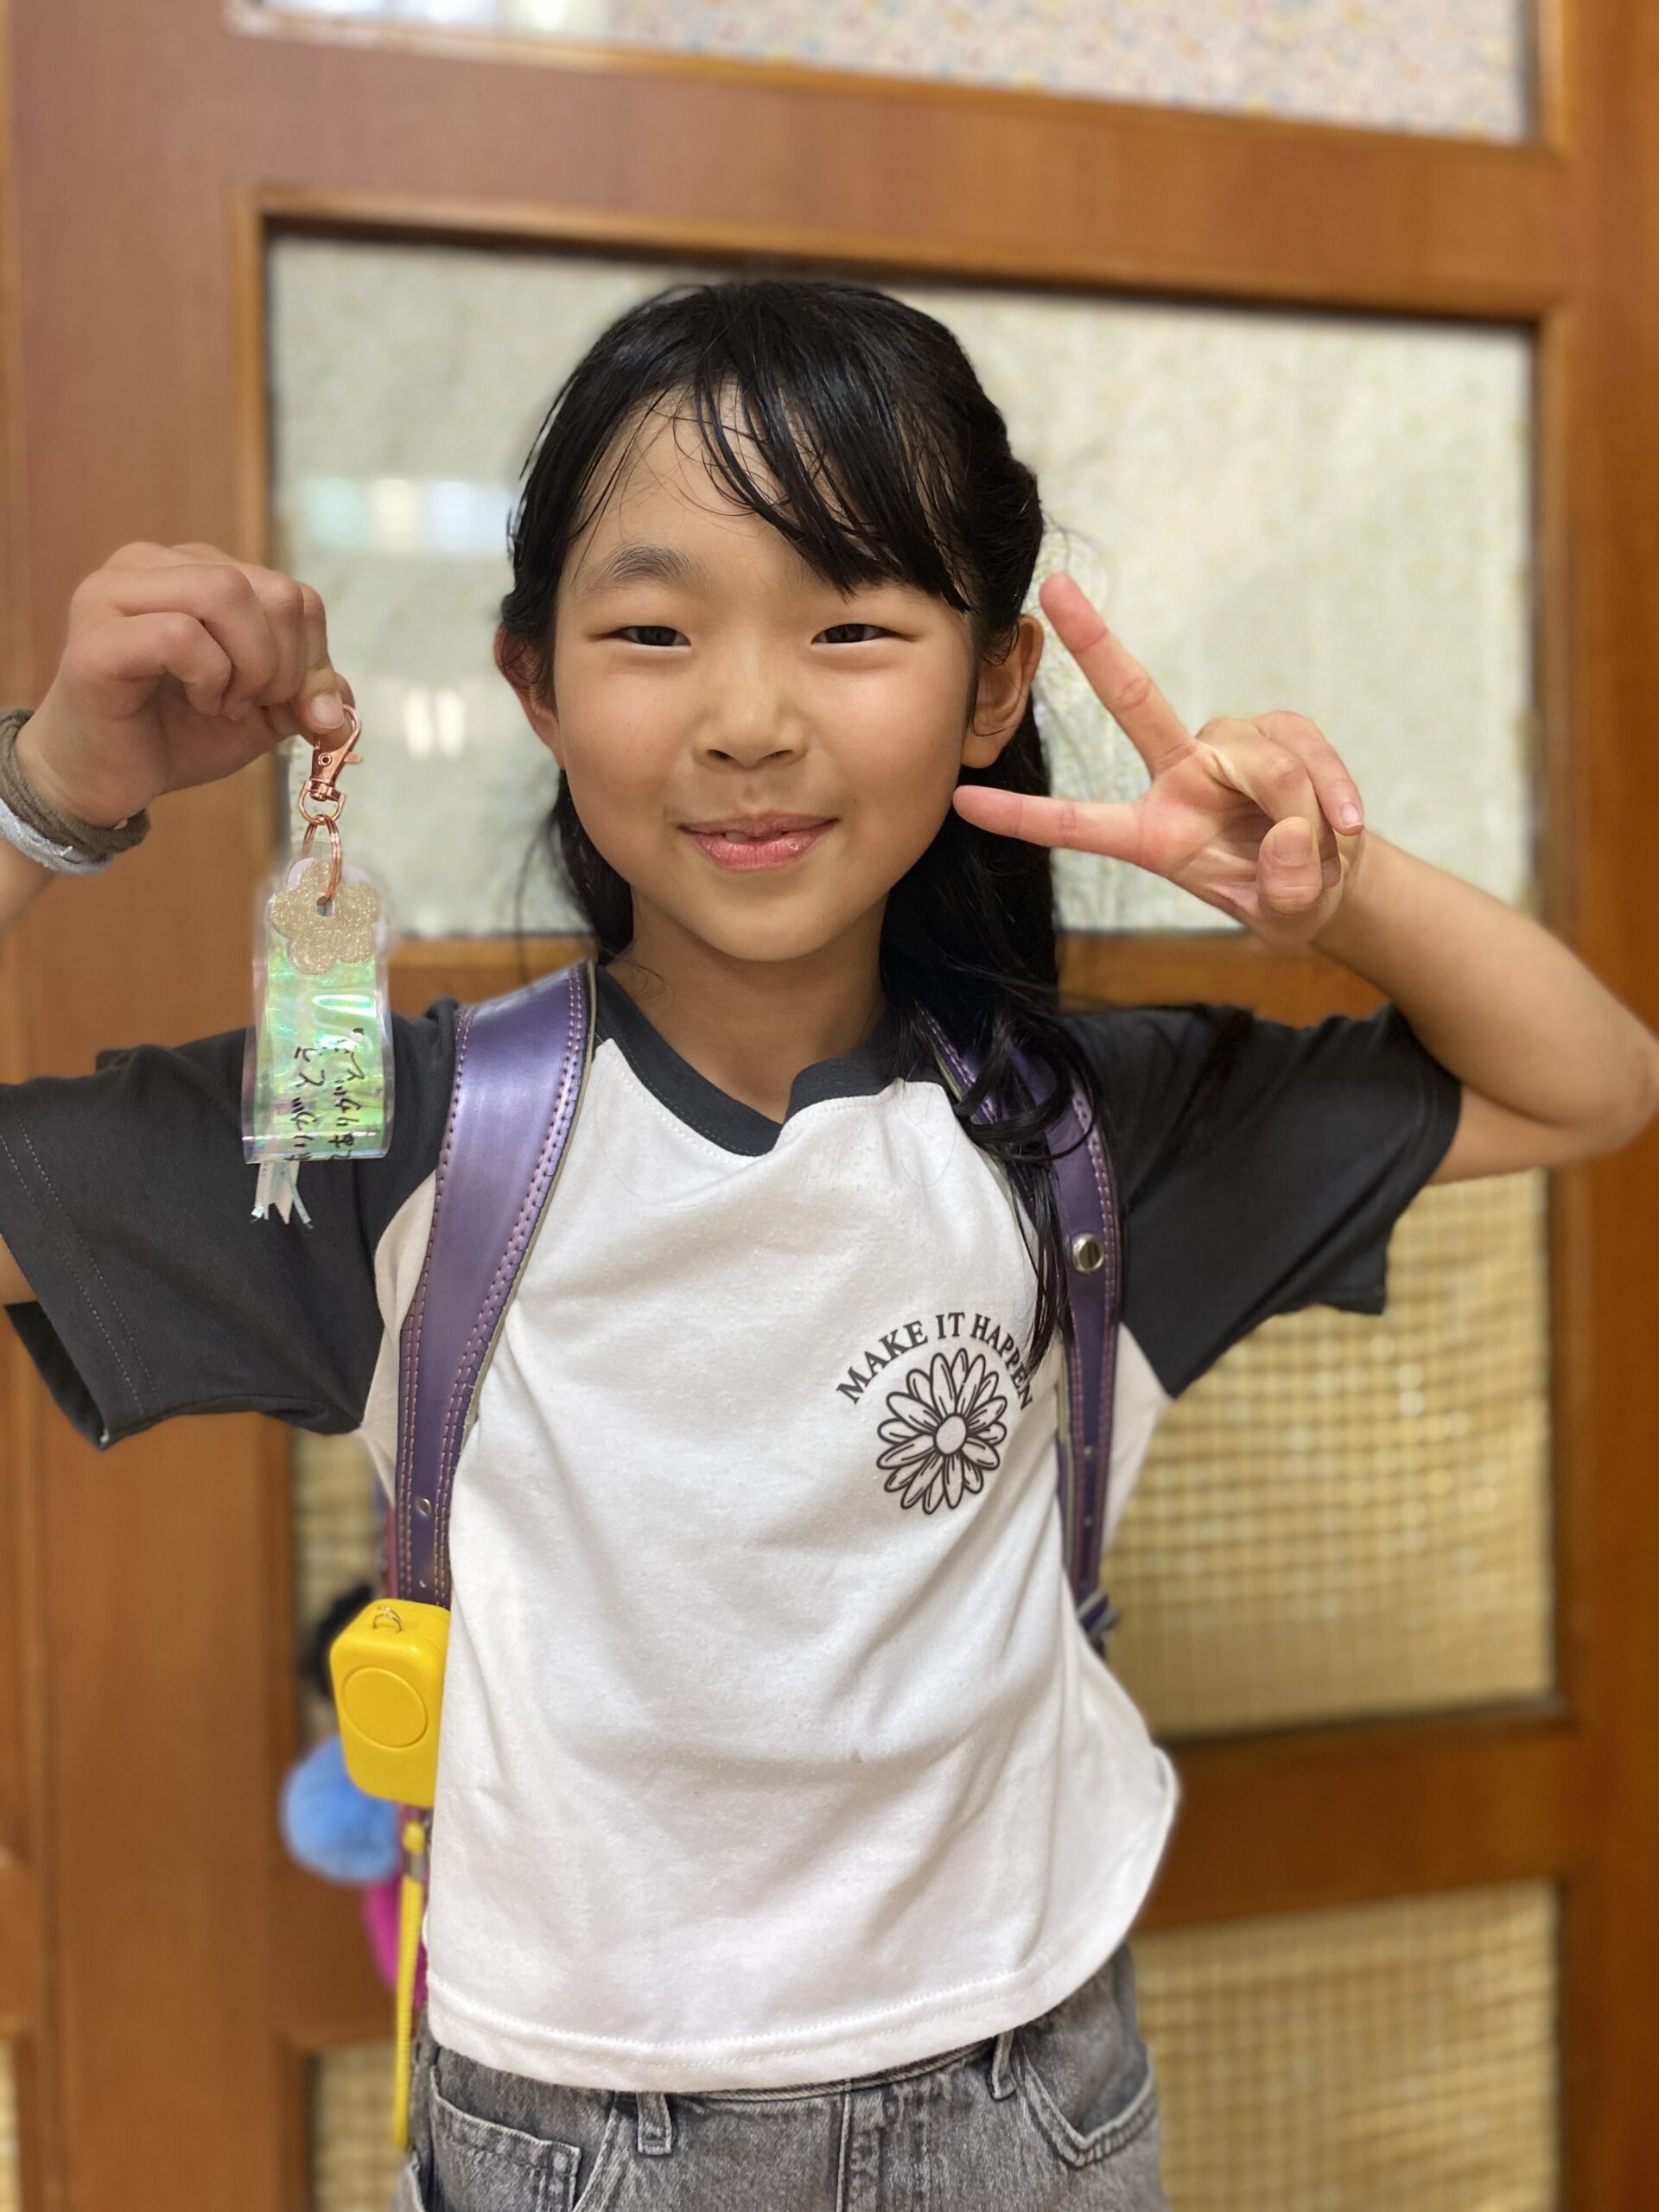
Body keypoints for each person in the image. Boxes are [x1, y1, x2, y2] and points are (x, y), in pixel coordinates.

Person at [0, 280, 1653, 2212]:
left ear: (992, 683)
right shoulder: (398, 1141)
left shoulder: (1085, 1132)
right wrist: (51, 798)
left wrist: (1331, 895)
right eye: (653, 630)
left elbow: (1592, 1083)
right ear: (536, 683)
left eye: (851, 623)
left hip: (1035, 2095)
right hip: (573, 2136)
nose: (750, 718)